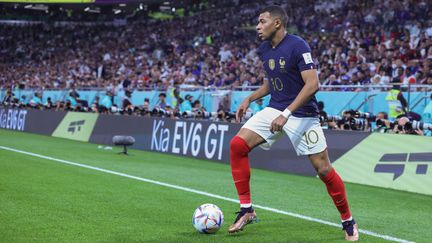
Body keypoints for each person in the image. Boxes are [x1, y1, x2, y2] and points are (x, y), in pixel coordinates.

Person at [228, 6, 358, 241]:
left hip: (302, 114)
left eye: (262, 21)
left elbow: (312, 84)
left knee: (323, 169)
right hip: (275, 108)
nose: (257, 26)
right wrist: (249, 98)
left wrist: (286, 114)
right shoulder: (265, 49)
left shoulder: (298, 45)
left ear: (277, 23)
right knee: (237, 145)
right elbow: (270, 84)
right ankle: (247, 209)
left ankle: (348, 220)